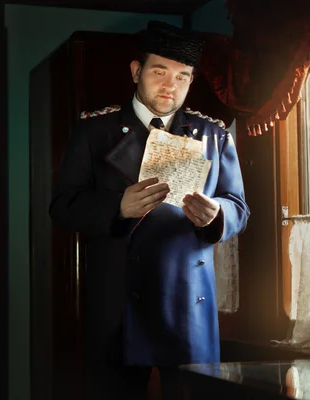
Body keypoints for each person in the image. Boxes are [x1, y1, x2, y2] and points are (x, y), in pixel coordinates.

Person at [48, 21, 250, 399]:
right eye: (159, 72)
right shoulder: (95, 131)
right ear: (136, 71)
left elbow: (238, 206)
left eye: (182, 76)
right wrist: (116, 207)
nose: (170, 85)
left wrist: (217, 214)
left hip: (189, 299)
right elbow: (62, 207)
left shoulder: (214, 135)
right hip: (117, 302)